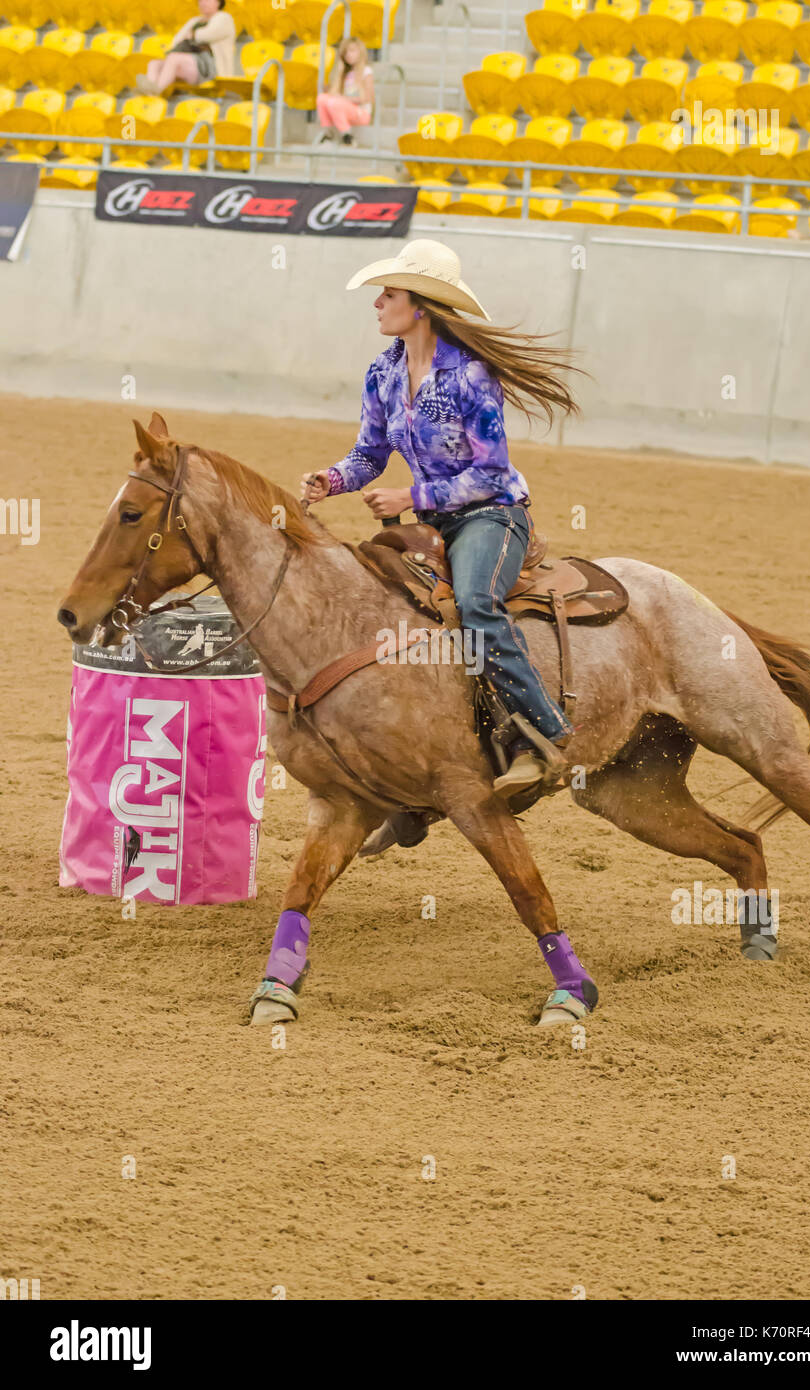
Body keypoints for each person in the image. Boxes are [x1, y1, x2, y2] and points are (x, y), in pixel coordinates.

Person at [301, 237, 583, 814]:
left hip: (490, 515)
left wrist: (411, 493)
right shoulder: (383, 373)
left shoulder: (471, 377)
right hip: (431, 523)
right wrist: (332, 480)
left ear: (421, 304)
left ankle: (549, 735)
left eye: (390, 293)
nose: (378, 302)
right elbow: (369, 454)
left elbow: (490, 472)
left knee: (477, 605)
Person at [137, 0, 236, 96]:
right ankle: (150, 91)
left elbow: (206, 35)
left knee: (174, 58)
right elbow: (177, 40)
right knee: (154, 63)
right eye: (200, 0)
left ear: (218, 2)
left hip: (212, 66)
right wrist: (190, 36)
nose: (203, 3)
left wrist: (192, 35)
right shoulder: (194, 21)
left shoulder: (224, 18)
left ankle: (156, 90)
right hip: (190, 62)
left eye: (208, 0)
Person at [314, 36, 374, 146]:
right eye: (345, 52)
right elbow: (333, 94)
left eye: (352, 51)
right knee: (322, 98)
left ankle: (347, 136)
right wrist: (339, 72)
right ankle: (328, 133)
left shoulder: (366, 71)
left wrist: (344, 99)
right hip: (344, 109)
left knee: (335, 102)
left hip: (361, 113)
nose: (348, 55)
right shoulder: (345, 73)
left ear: (360, 52)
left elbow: (368, 99)